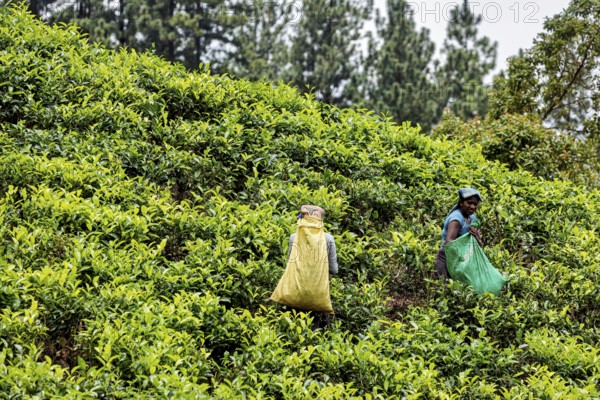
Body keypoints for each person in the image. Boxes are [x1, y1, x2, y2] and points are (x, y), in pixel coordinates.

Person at [270, 205, 338, 329]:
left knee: (291, 334)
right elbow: (334, 269)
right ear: (320, 221)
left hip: (293, 296)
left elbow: (290, 264)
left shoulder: (294, 237)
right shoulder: (328, 239)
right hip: (318, 299)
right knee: (317, 337)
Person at [435, 188, 483, 280]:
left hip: (462, 258)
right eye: (469, 203)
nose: (472, 207)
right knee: (443, 287)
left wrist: (477, 237)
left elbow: (479, 245)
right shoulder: (456, 218)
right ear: (461, 202)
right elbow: (449, 243)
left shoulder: (472, 218)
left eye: (475, 204)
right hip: (447, 258)